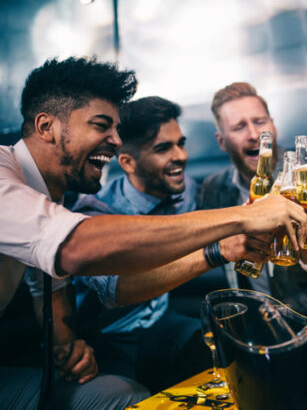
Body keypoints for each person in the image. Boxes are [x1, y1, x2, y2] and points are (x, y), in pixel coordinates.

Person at [0, 57, 307, 408]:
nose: (116, 142)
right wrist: (238, 222)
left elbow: (50, 290)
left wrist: (66, 346)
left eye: (117, 130)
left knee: (217, 353)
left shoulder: (48, 195)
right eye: (102, 126)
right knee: (124, 397)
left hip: (158, 328)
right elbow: (78, 250)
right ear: (46, 126)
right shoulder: (12, 180)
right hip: (112, 338)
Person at [72, 96, 269, 392]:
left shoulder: (184, 189)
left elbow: (224, 203)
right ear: (127, 162)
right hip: (106, 339)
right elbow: (120, 292)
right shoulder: (97, 214)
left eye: (181, 143)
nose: (180, 156)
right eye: (163, 148)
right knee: (127, 396)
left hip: (163, 324)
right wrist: (217, 251)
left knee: (226, 358)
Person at [198, 82, 307, 313]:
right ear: (221, 141)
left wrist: (305, 223)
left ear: (273, 127)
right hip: (251, 320)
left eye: (260, 122)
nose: (254, 135)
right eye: (239, 127)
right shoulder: (213, 188)